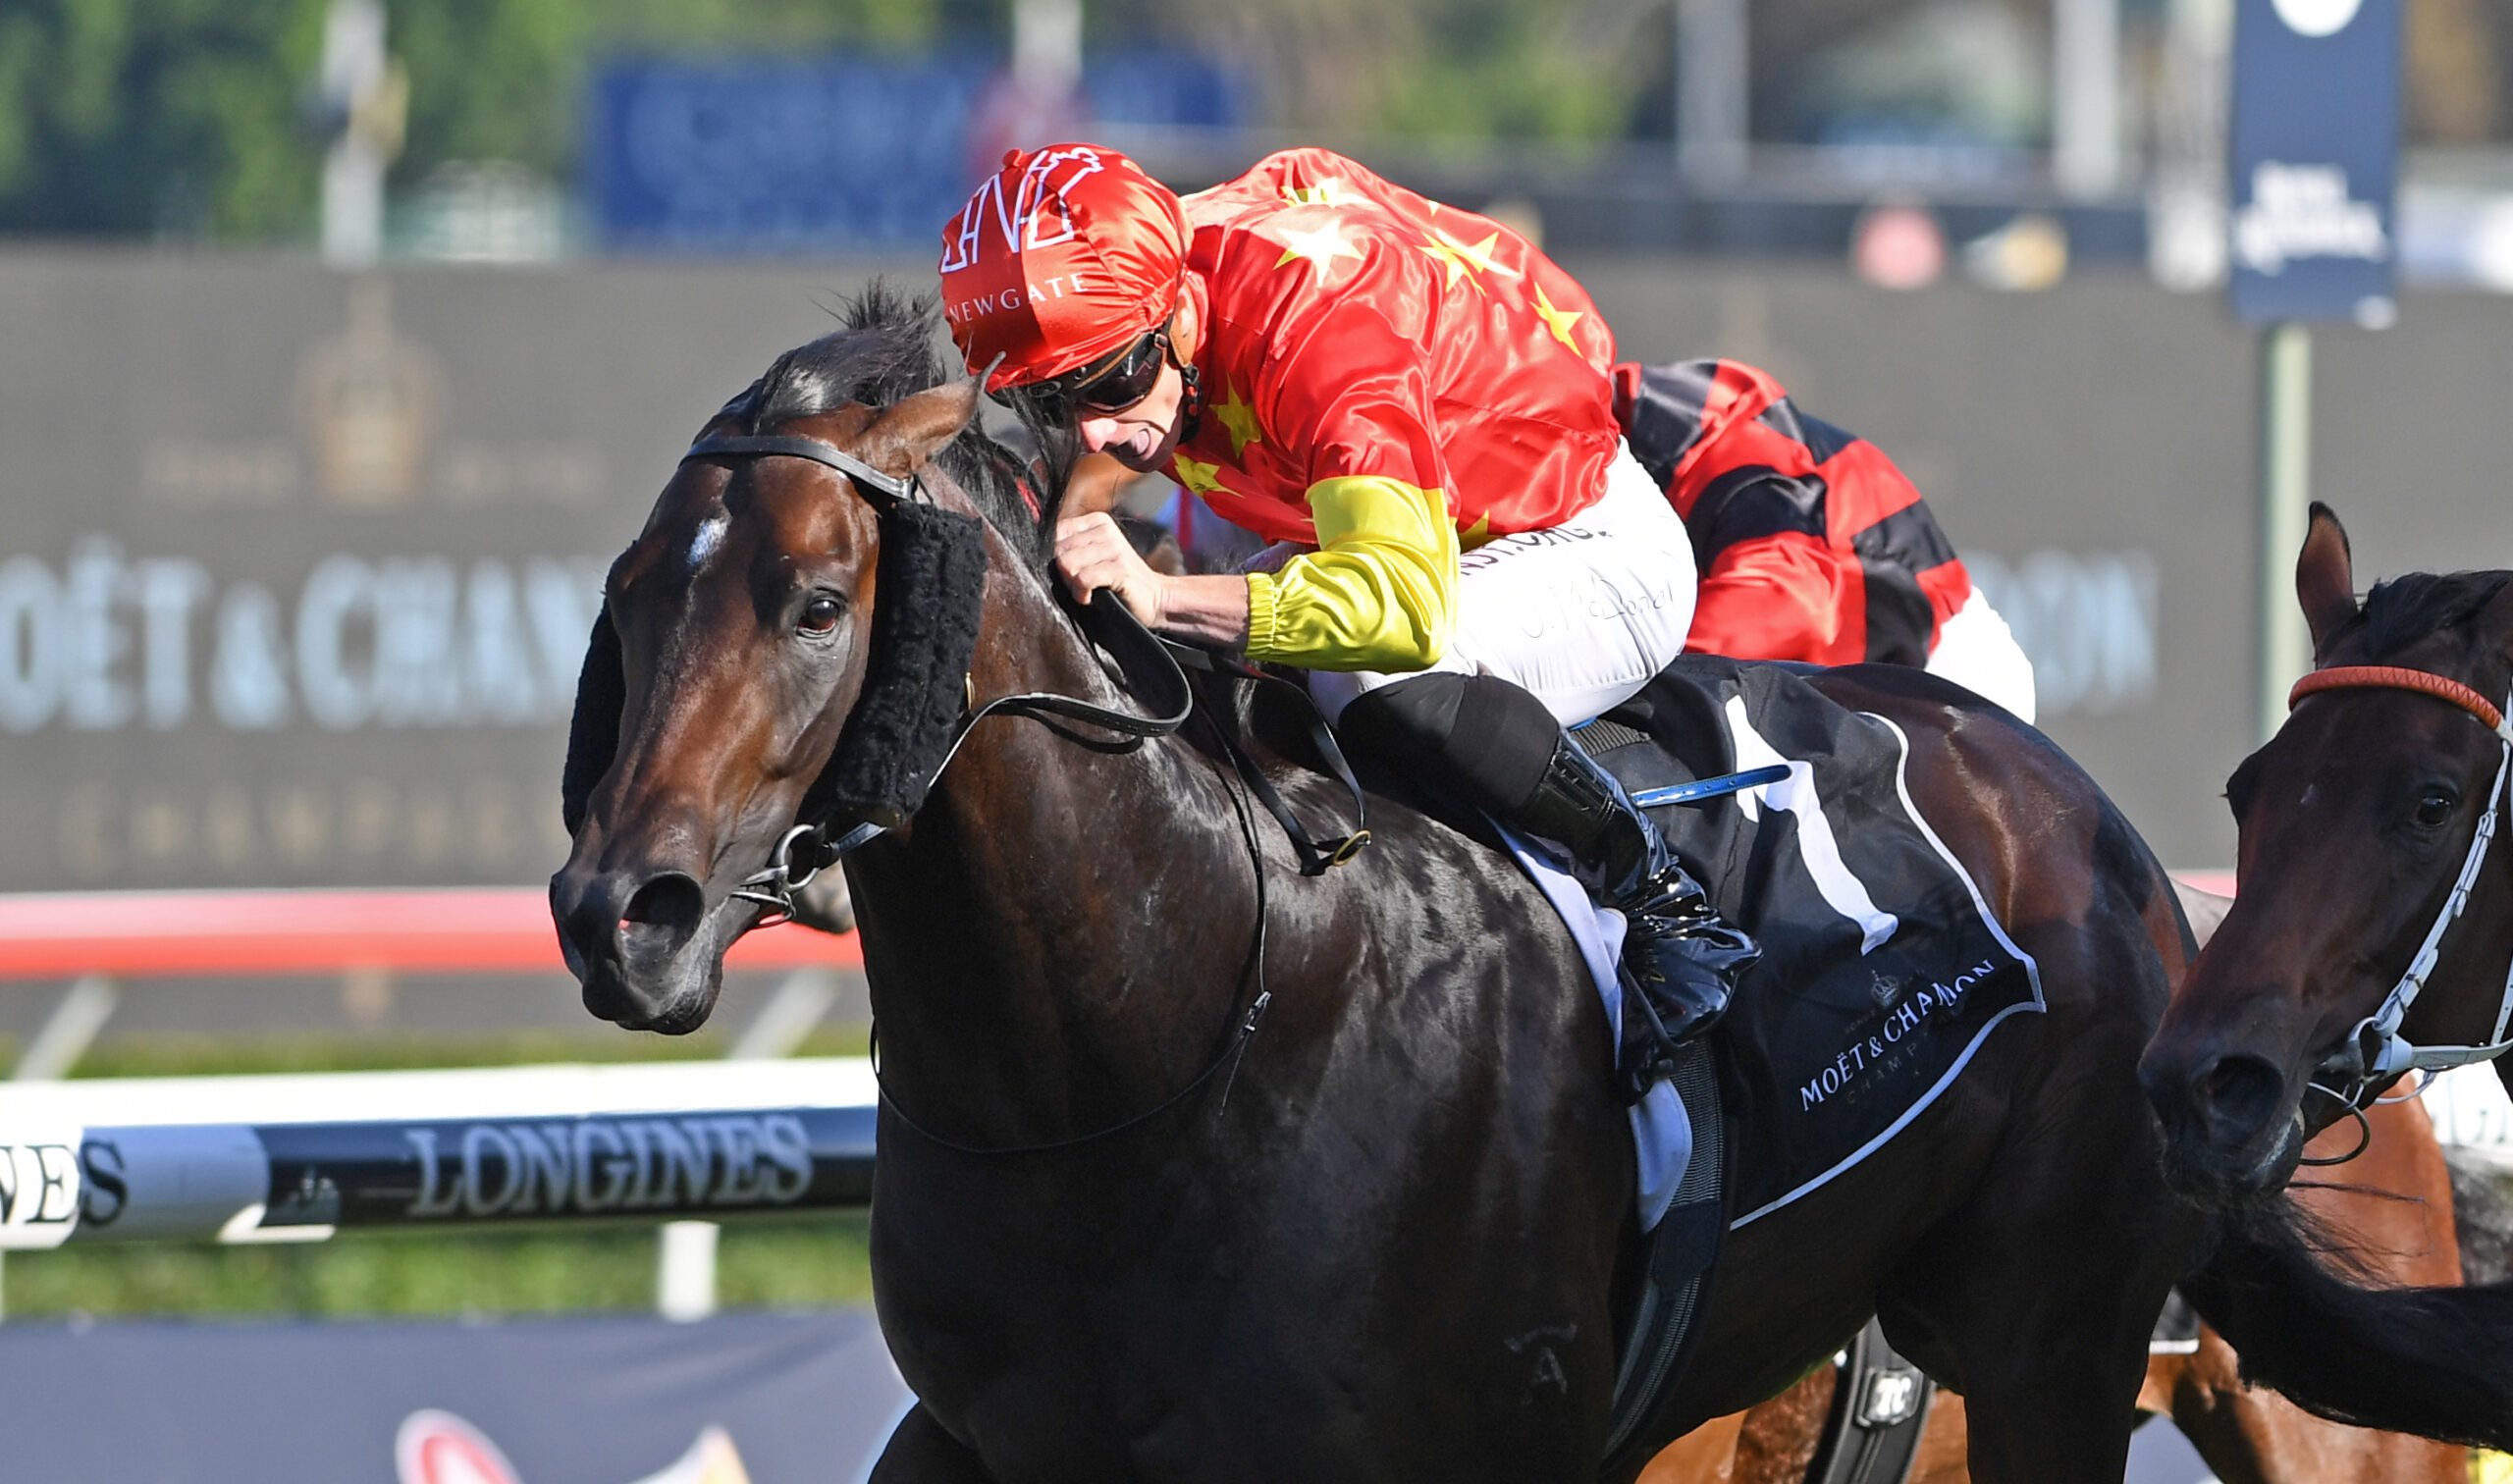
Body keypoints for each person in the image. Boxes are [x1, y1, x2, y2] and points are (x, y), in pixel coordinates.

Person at [937, 142, 1755, 1090]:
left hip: (1587, 545)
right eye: (1048, 398)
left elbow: (1401, 608)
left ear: (1179, 314)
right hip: (1429, 522)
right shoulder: (1156, 294)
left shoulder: (1321, 325)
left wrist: (1163, 595)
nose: (1093, 431)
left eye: (1111, 381)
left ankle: (1661, 903)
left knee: (1362, 672)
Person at [1612, 358, 2037, 721]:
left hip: (1938, 697)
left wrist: (1615, 681)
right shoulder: (1616, 425)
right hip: (1840, 696)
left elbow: (1792, 602)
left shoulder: (1699, 428)